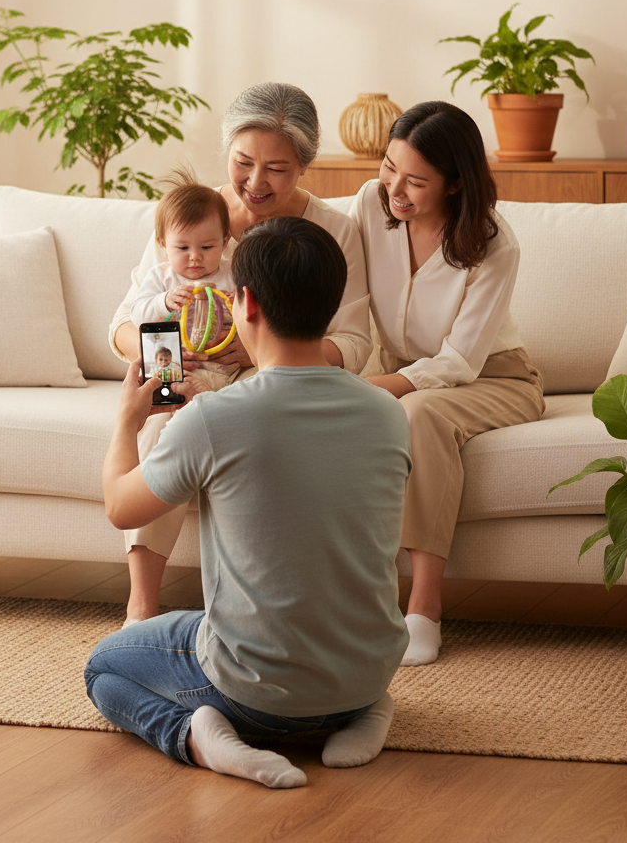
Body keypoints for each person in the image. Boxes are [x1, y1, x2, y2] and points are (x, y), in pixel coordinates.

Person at [85, 216, 411, 789]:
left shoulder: (215, 418)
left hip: (256, 691)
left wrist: (126, 421)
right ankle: (366, 710)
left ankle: (198, 738)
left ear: (246, 304)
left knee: (104, 668)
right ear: (329, 307)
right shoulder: (388, 413)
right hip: (368, 671)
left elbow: (120, 507)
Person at [109, 83, 372, 625]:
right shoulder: (191, 218)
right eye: (243, 162)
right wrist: (164, 340)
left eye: (276, 167)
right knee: (163, 429)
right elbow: (123, 321)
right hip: (188, 373)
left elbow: (355, 343)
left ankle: (263, 613)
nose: (255, 182)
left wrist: (255, 352)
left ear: (303, 166)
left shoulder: (334, 231)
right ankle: (141, 604)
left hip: (283, 385)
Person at [350, 100, 545, 667]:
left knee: (420, 414)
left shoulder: (493, 243)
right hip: (396, 368)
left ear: (457, 184)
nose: (395, 190)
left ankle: (424, 609)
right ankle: (353, 601)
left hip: (494, 377)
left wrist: (382, 387)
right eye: (389, 167)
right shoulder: (370, 203)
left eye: (416, 181)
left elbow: (459, 361)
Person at [129, 174, 238, 390]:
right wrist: (165, 301)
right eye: (182, 248)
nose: (195, 256)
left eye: (206, 247)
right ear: (163, 245)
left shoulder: (232, 274)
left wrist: (235, 304)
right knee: (160, 410)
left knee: (207, 405)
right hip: (170, 368)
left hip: (219, 371)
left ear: (225, 242)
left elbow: (255, 317)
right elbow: (137, 314)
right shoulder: (161, 277)